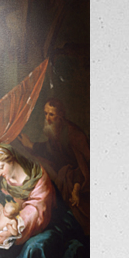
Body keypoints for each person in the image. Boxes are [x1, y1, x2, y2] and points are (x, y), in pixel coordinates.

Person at [28, 98, 89, 234]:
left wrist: (77, 187)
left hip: (80, 183)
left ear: (61, 116)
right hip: (67, 178)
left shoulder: (74, 135)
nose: (47, 118)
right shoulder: (56, 131)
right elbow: (49, 150)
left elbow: (86, 164)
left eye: (52, 114)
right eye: (46, 114)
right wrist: (32, 146)